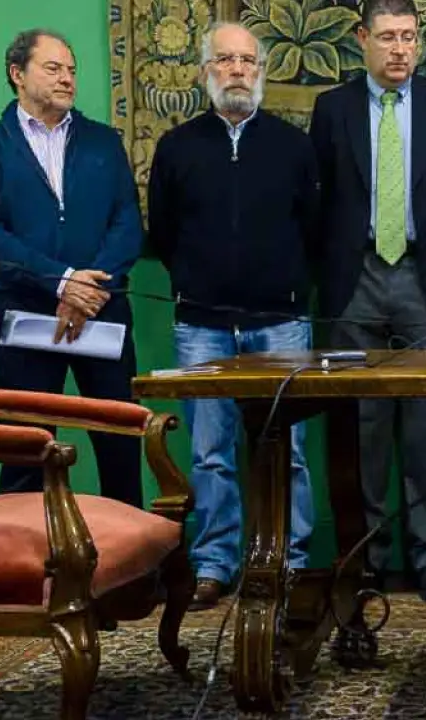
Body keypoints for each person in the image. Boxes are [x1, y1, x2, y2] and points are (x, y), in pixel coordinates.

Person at [146, 22, 319, 611]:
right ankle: (215, 563)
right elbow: (163, 232)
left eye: (248, 60)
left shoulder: (294, 146)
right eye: (225, 60)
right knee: (210, 452)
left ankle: (292, 559)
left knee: (288, 451)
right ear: (205, 73)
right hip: (202, 325)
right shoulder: (177, 147)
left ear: (261, 71)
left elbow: (313, 227)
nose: (238, 70)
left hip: (280, 321)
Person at [309, 0, 426, 604]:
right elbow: (319, 197)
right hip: (356, 277)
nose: (400, 49)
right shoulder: (333, 109)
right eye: (387, 37)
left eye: (409, 37)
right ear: (363, 40)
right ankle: (371, 557)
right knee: (365, 427)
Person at [0, 29, 144, 507]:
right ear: (17, 74)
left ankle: (133, 554)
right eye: (53, 68)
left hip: (102, 313)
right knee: (25, 451)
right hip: (26, 316)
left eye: (71, 70)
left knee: (121, 449)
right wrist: (62, 282)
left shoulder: (103, 142)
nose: (67, 78)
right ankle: (25, 554)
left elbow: (127, 223)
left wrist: (88, 292)